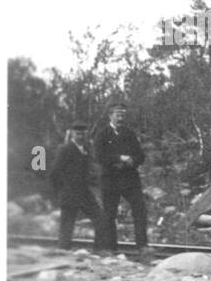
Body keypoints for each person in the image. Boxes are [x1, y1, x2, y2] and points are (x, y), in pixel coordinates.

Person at [94, 103, 149, 254]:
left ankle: (142, 246)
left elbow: (141, 155)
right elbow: (99, 156)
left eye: (122, 115)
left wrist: (132, 161)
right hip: (110, 180)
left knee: (140, 210)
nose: (120, 118)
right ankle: (110, 248)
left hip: (130, 179)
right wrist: (119, 158)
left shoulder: (130, 134)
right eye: (117, 115)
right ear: (110, 116)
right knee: (109, 214)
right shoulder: (102, 134)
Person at [51, 123, 109, 251]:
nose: (81, 136)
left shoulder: (87, 148)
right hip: (69, 194)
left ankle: (99, 251)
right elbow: (55, 172)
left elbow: (89, 171)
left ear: (86, 134)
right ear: (72, 133)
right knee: (67, 226)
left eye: (83, 133)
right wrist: (60, 192)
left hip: (84, 193)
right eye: (78, 133)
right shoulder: (64, 149)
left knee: (101, 219)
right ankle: (63, 253)